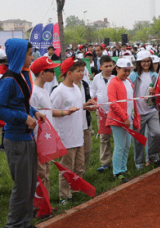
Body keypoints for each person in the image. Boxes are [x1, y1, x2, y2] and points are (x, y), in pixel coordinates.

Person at [0, 39, 46, 228]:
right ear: (19, 55)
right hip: (15, 138)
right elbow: (1, 108)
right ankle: (13, 225)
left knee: (29, 185)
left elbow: (22, 103)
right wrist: (23, 117)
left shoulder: (23, 75)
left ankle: (25, 222)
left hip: (28, 137)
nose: (32, 57)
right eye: (29, 54)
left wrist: (33, 111)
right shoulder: (8, 80)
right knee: (21, 186)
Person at [51, 57, 93, 204]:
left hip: (78, 134)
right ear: (69, 73)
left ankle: (75, 190)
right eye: (79, 71)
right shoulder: (59, 91)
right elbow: (50, 111)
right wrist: (66, 112)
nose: (82, 73)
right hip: (66, 136)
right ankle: (64, 195)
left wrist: (86, 105)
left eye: (83, 70)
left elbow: (77, 105)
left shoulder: (76, 88)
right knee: (66, 167)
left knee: (79, 165)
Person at [30, 56, 61, 196]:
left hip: (46, 137)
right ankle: (39, 206)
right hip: (38, 138)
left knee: (45, 170)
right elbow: (32, 116)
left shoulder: (42, 89)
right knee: (40, 172)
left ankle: (45, 202)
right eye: (51, 71)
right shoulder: (34, 92)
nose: (54, 74)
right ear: (42, 73)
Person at [106, 58, 140, 183]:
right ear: (117, 69)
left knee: (126, 146)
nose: (126, 73)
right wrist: (124, 117)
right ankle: (117, 172)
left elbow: (133, 101)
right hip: (118, 121)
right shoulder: (113, 83)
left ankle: (123, 168)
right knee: (120, 146)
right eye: (124, 71)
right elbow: (113, 103)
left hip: (128, 120)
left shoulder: (129, 82)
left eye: (128, 71)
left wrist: (135, 117)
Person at [128, 51, 160, 169]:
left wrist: (156, 92)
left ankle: (153, 154)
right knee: (139, 139)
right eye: (143, 61)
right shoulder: (133, 76)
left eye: (148, 61)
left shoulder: (154, 75)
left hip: (152, 110)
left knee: (157, 133)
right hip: (138, 112)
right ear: (139, 62)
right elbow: (128, 91)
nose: (146, 63)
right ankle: (139, 161)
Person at [91, 56, 115, 172]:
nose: (109, 68)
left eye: (111, 65)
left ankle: (117, 160)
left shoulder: (116, 77)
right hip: (101, 112)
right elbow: (93, 92)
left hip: (115, 112)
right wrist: (91, 102)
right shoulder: (96, 78)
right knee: (104, 138)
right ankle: (105, 163)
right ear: (100, 67)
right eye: (106, 66)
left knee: (117, 136)